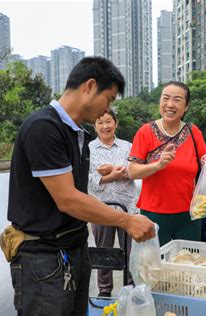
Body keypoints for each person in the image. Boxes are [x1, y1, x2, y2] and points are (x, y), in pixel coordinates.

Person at [6, 57, 155, 316]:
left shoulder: (78, 133)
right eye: (108, 99)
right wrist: (127, 220)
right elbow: (68, 200)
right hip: (44, 258)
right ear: (89, 86)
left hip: (73, 249)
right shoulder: (44, 128)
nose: (106, 110)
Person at [127, 81, 206, 246]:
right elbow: (132, 171)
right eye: (165, 98)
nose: (170, 104)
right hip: (153, 215)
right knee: (155, 267)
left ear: (186, 106)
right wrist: (158, 165)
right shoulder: (145, 132)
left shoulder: (193, 132)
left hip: (189, 215)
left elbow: (204, 158)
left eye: (177, 100)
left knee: (188, 264)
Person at [88, 110, 137, 297]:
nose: (105, 126)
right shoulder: (89, 149)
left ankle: (131, 289)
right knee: (103, 251)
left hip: (128, 208)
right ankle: (104, 290)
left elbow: (135, 170)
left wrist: (112, 171)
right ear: (95, 126)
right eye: (100, 122)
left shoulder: (128, 147)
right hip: (101, 208)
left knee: (132, 252)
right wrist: (113, 176)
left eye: (108, 121)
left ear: (116, 123)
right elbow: (88, 179)